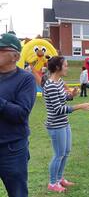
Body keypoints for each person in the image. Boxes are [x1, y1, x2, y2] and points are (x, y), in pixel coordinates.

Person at [43, 56, 89, 192]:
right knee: (58, 154)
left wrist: (72, 95)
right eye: (65, 65)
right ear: (58, 68)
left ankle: (59, 179)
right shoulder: (51, 85)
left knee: (65, 152)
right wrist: (80, 105)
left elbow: (63, 98)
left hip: (64, 123)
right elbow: (58, 109)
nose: (67, 68)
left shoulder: (59, 82)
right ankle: (52, 183)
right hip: (56, 125)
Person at [0, 33, 36, 197]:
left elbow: (21, 114)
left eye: (1, 49)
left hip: (12, 150)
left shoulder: (25, 79)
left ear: (16, 56)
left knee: (18, 193)